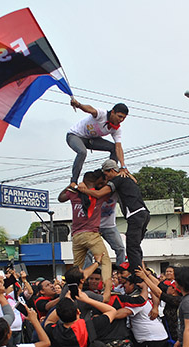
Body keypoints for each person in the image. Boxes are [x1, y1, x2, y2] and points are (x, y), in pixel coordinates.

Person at [79, 159, 150, 270]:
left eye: (106, 174)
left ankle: (135, 273)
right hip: (144, 214)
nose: (106, 178)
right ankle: (139, 270)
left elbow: (98, 194)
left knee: (131, 247)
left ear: (112, 170)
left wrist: (84, 190)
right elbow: (134, 181)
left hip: (133, 215)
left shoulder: (116, 181)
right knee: (135, 246)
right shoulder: (124, 179)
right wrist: (125, 171)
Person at [58, 170, 112, 299]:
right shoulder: (98, 195)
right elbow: (110, 189)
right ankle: (107, 291)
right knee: (105, 262)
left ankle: (73, 291)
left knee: (77, 267)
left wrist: (72, 185)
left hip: (76, 236)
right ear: (96, 181)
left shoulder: (73, 194)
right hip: (91, 234)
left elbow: (60, 198)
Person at [66, 99, 129, 185]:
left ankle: (110, 174)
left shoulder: (116, 129)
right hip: (75, 136)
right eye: (119, 116)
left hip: (91, 141)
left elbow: (118, 147)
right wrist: (78, 105)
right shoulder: (102, 114)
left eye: (124, 118)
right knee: (82, 152)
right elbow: (90, 109)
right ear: (113, 112)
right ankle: (73, 181)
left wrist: (123, 166)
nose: (121, 120)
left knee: (113, 147)